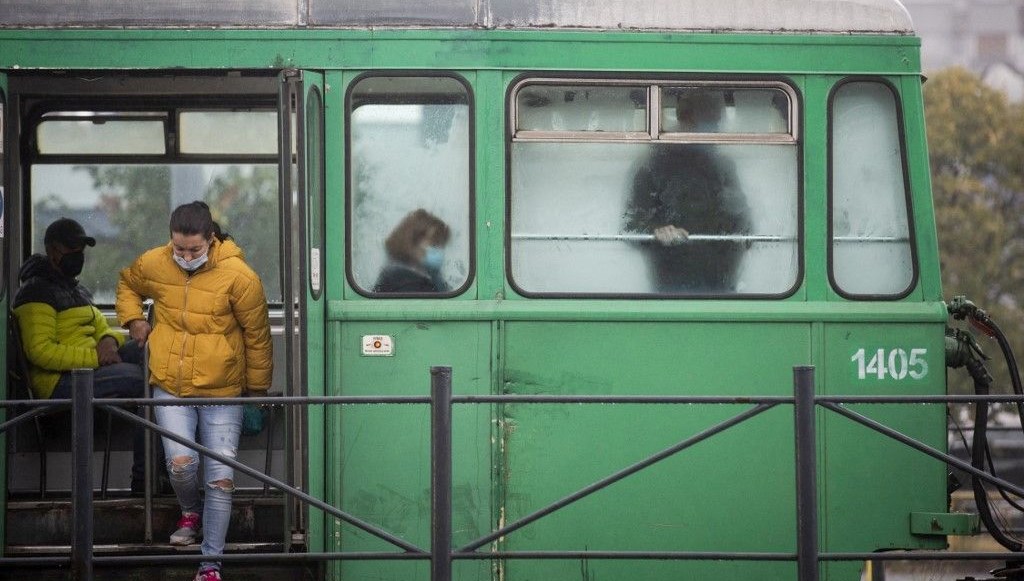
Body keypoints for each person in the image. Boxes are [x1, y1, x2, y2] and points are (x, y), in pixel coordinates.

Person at [116, 201, 272, 581]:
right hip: (170, 385)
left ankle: (210, 564)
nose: (185, 256)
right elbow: (127, 284)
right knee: (181, 465)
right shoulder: (155, 262)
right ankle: (191, 511)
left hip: (222, 391)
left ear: (211, 239)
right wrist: (134, 318)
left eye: (194, 250)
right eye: (179, 249)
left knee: (220, 477)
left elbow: (257, 335)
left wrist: (257, 388)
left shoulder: (239, 276)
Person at [12, 217, 148, 492]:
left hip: (91, 367)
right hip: (58, 382)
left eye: (81, 251)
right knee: (143, 380)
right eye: (71, 251)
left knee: (150, 352)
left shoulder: (76, 289)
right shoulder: (35, 293)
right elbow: (40, 351)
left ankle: (165, 469)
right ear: (53, 251)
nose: (78, 257)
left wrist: (109, 341)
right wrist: (96, 358)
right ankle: (144, 479)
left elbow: (101, 325)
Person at [624, 90, 751, 293]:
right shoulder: (654, 165)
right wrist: (657, 232)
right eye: (710, 118)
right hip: (671, 284)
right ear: (688, 118)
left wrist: (734, 219)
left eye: (717, 120)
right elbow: (631, 226)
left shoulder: (723, 167)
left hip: (722, 284)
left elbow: (745, 230)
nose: (715, 127)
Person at [373, 209, 451, 293]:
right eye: (434, 244)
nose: (439, 250)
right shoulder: (406, 284)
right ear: (411, 243)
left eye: (442, 245)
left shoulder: (427, 277)